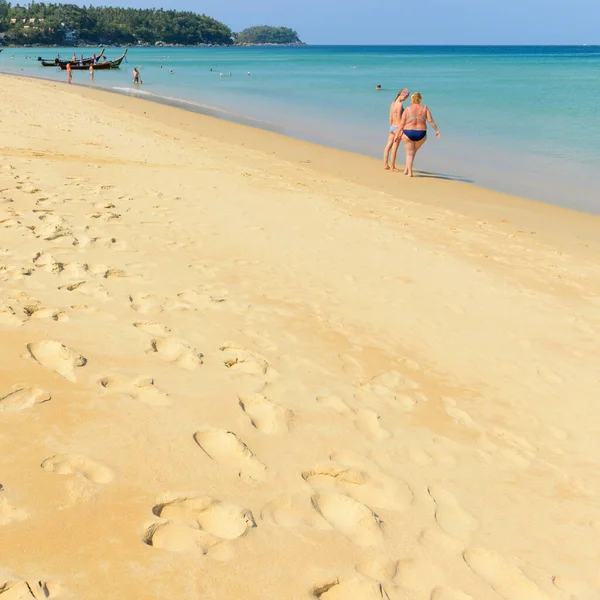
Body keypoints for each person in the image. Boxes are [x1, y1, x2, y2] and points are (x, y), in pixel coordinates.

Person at [395, 91, 440, 177]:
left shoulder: (408, 109)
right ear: (420, 99)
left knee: (409, 153)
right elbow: (430, 120)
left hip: (408, 133)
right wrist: (436, 130)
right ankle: (406, 170)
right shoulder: (425, 108)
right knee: (413, 152)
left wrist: (397, 134)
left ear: (412, 99)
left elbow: (402, 124)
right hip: (421, 134)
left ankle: (409, 172)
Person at [383, 88, 409, 171]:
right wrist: (401, 129)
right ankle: (392, 166)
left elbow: (390, 117)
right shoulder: (400, 105)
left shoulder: (393, 104)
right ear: (402, 95)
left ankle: (385, 164)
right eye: (405, 98)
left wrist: (391, 127)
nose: (405, 99)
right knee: (394, 147)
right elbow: (399, 117)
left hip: (392, 126)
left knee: (388, 146)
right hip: (397, 127)